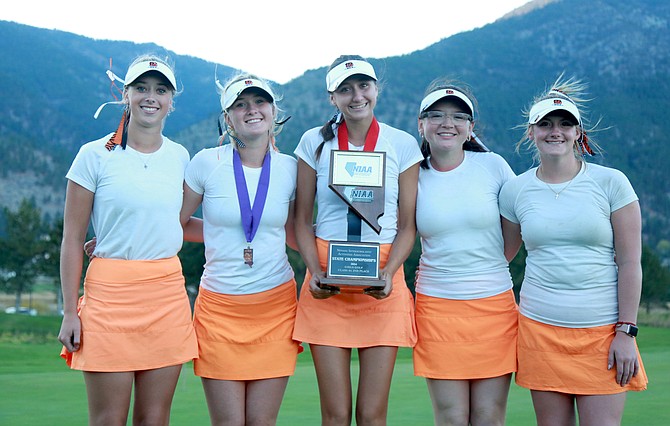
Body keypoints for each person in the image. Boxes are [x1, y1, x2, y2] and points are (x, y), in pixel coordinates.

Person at [499, 75, 648, 426]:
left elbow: (630, 263)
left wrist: (626, 332)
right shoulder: (515, 190)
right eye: (546, 124)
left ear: (578, 133)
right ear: (531, 132)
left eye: (565, 124)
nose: (556, 131)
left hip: (603, 333)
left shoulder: (611, 182)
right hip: (539, 330)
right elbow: (499, 257)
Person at [58, 54, 198, 425]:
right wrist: (70, 312)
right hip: (109, 297)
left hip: (166, 295)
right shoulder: (94, 155)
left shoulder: (181, 157)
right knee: (109, 419)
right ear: (126, 94)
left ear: (171, 100)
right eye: (141, 88)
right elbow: (72, 239)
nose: (150, 97)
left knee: (154, 419)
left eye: (160, 90)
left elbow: (175, 222)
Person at [292, 55, 421, 425]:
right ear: (332, 97)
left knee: (372, 414)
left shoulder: (402, 143)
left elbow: (407, 225)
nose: (356, 96)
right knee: (334, 415)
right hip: (326, 280)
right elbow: (302, 220)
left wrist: (390, 272)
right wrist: (314, 272)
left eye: (363, 86)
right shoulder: (314, 142)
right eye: (345, 89)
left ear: (376, 89)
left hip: (382, 278)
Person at [179, 72, 301, 425]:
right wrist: (117, 240)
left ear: (273, 111)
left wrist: (346, 262)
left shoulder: (290, 168)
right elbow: (178, 223)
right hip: (219, 307)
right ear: (227, 117)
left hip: (275, 306)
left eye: (260, 102)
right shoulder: (206, 162)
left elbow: (293, 234)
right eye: (240, 105)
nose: (252, 110)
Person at [412, 78, 520, 425]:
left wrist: (483, 271)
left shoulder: (494, 166)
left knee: (489, 415)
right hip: (437, 307)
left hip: (494, 307)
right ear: (421, 124)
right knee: (451, 416)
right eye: (437, 115)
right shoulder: (411, 175)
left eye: (459, 117)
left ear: (470, 128)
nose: (448, 124)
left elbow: (513, 231)